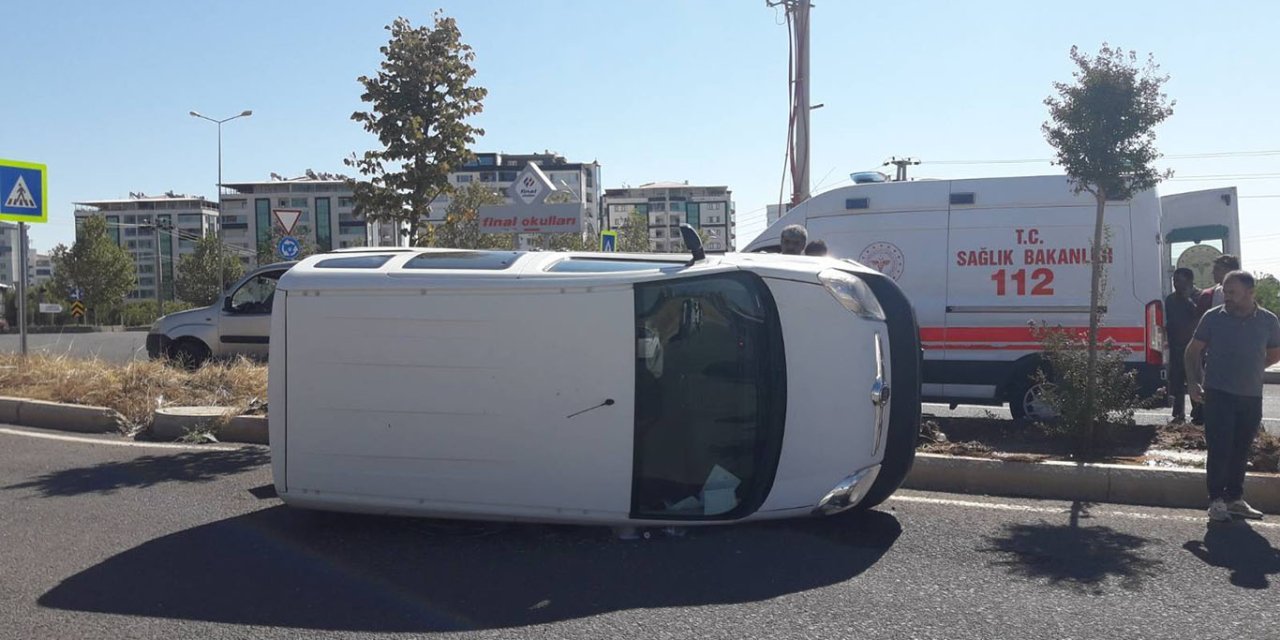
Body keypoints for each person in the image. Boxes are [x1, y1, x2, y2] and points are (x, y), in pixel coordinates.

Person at [1186, 270, 1280, 522]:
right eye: (1225, 292)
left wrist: (1253, 367)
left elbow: (1275, 353)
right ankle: (1216, 500)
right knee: (1220, 448)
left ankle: (1235, 499)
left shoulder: (1268, 320)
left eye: (1232, 292)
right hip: (1218, 393)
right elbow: (1192, 351)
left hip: (1251, 395)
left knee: (1241, 449)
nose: (1226, 296)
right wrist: (1193, 382)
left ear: (1250, 292)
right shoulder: (1213, 318)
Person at [1190, 254, 1241, 425]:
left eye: (1217, 270)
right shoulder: (1211, 295)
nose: (1213, 273)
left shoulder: (1246, 294)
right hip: (1215, 354)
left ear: (1230, 271)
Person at [1164, 267, 1197, 423]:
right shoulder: (1170, 300)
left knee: (1194, 380)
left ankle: (1198, 414)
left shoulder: (1198, 297)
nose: (1176, 284)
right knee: (1177, 381)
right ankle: (1178, 414)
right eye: (1175, 281)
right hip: (1175, 346)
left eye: (1180, 281)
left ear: (1189, 282)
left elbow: (1199, 318)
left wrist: (1188, 299)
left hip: (1193, 347)